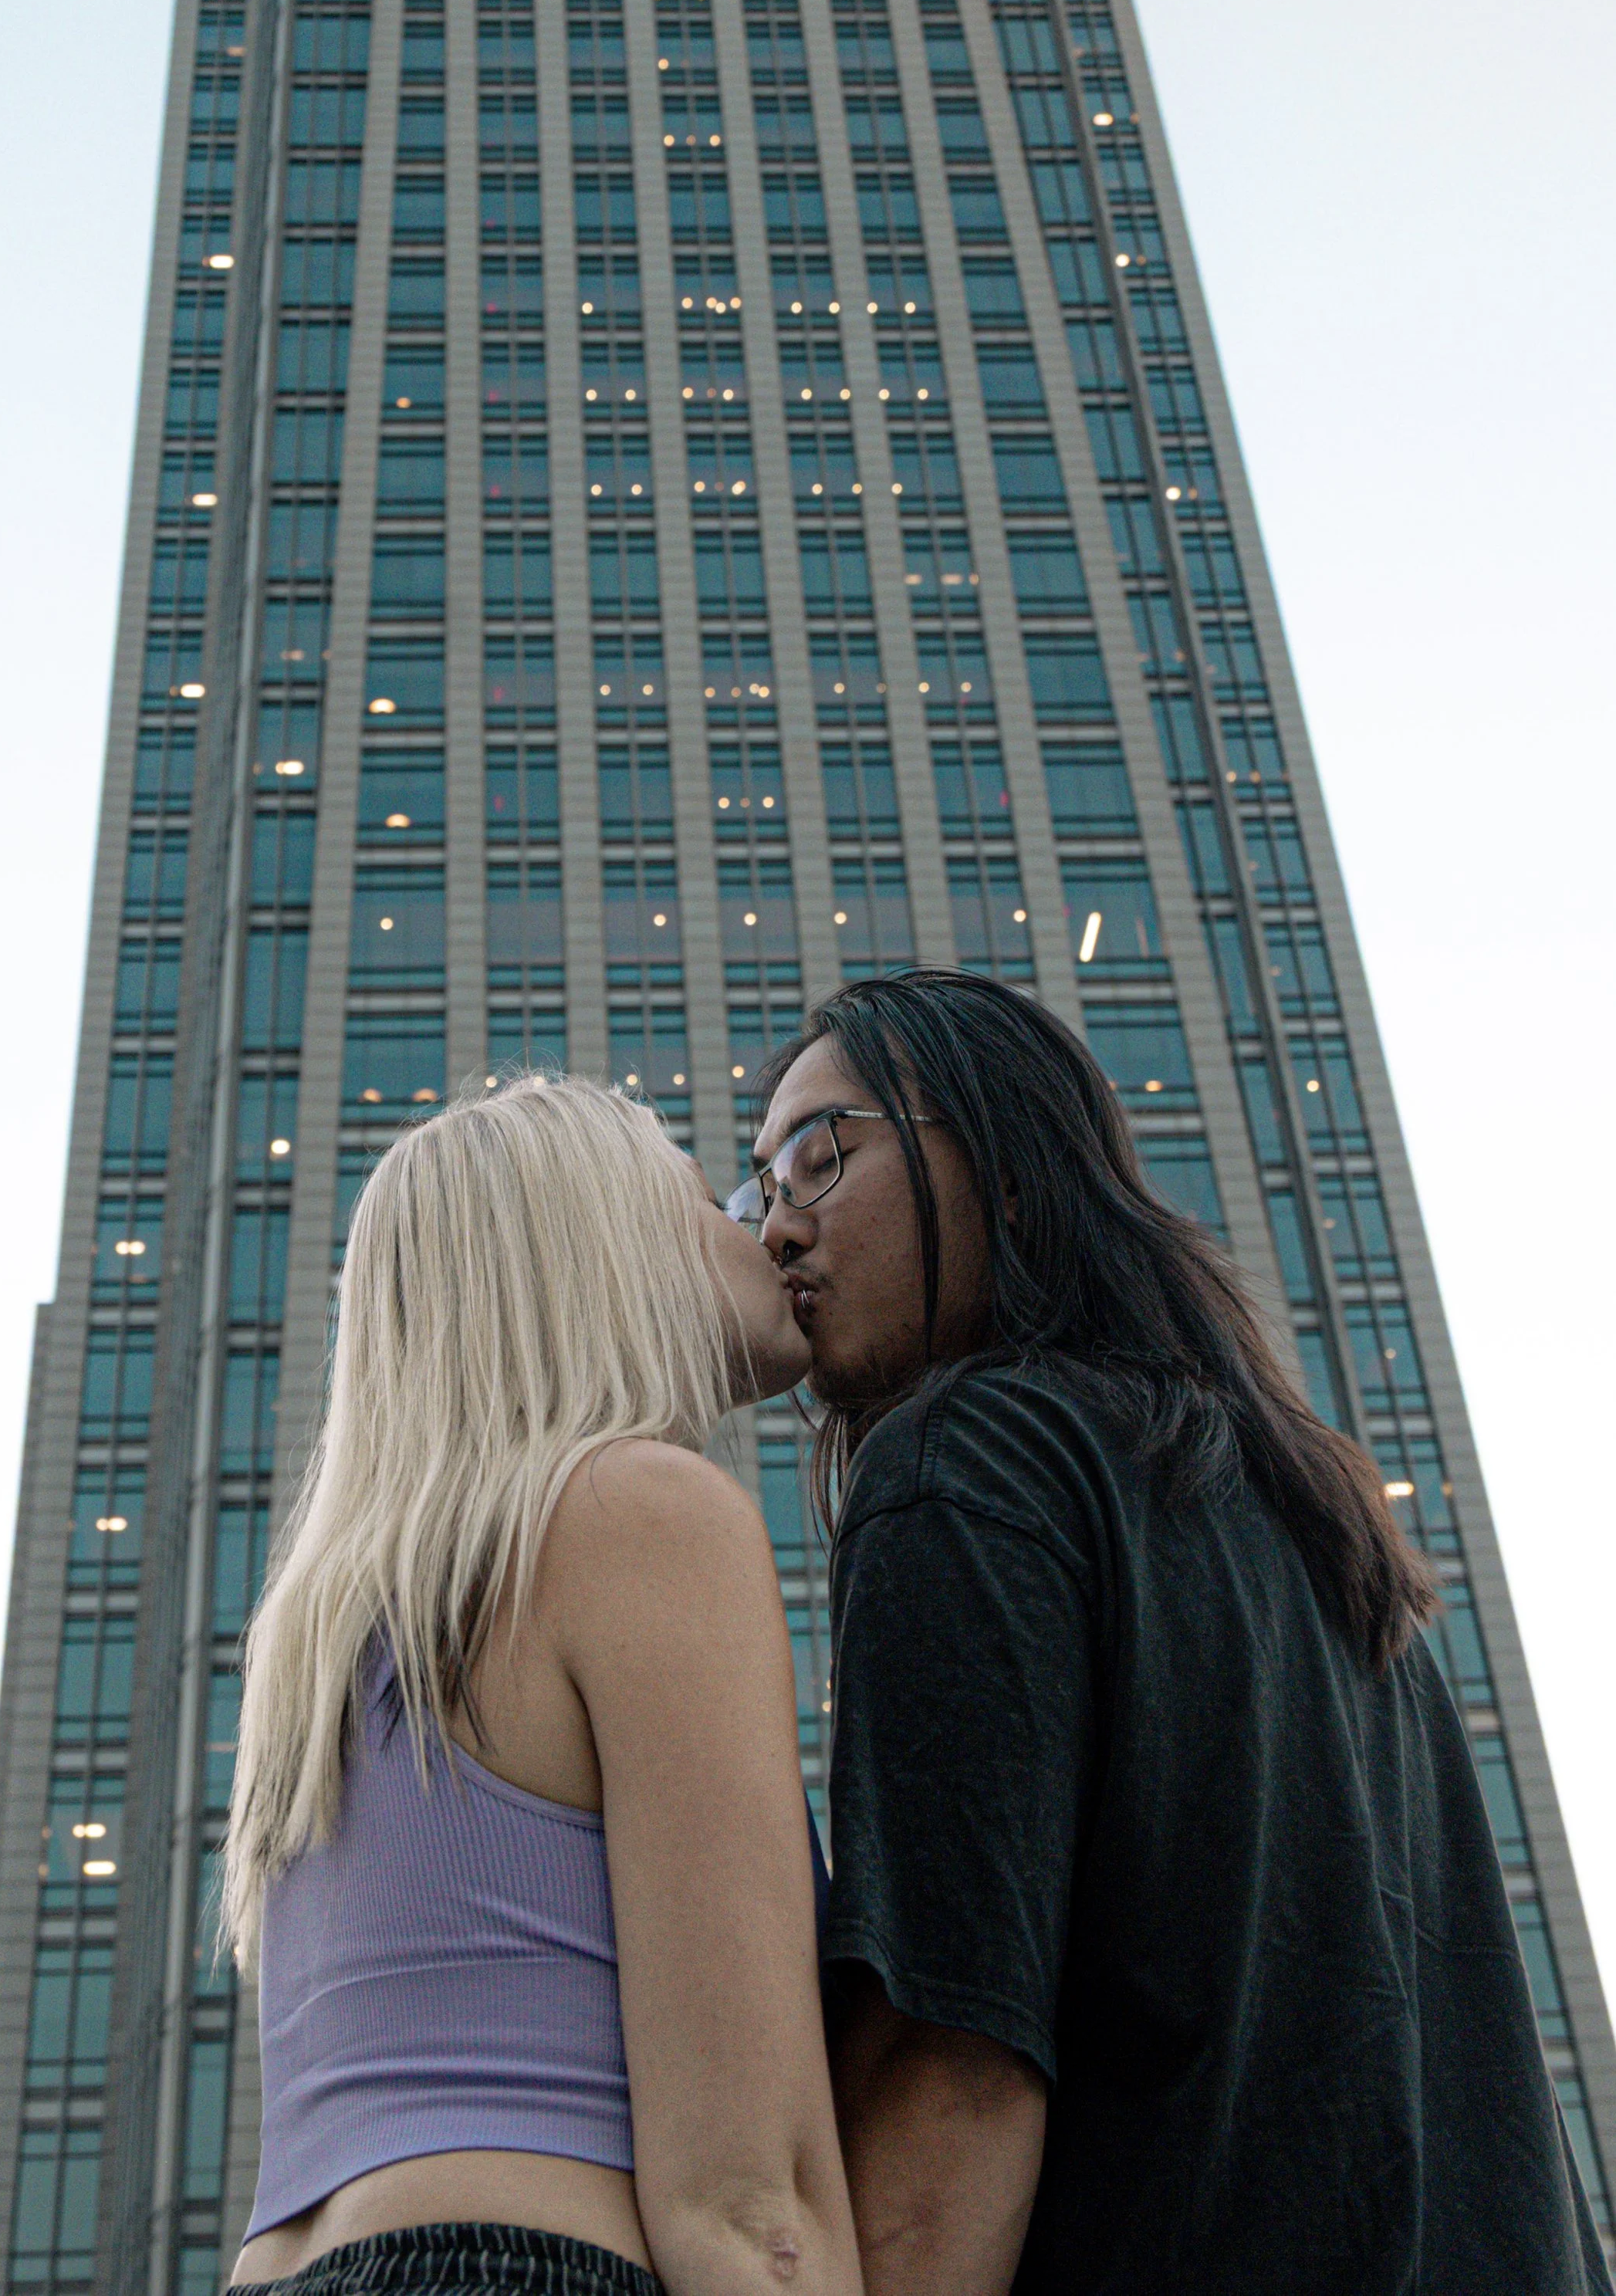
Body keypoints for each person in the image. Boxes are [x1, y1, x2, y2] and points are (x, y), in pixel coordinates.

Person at [734, 970, 1611, 2296]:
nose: (775, 1231)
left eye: (817, 1155)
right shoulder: (1321, 1530)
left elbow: (953, 2064)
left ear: (1008, 1165)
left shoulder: (966, 1465)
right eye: (757, 1189)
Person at [225, 1073, 864, 2296]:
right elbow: (748, 2208)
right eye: (707, 1198)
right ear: (604, 1243)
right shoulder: (644, 1513)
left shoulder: (328, 1628)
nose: (760, 1225)